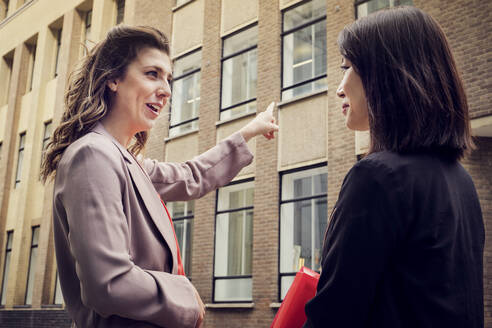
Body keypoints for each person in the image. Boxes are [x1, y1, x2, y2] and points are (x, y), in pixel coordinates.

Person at [40, 25, 278, 328]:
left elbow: (190, 176)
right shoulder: (93, 156)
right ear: (113, 78)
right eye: (152, 74)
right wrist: (185, 296)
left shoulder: (124, 160)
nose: (166, 89)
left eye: (168, 78)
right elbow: (108, 284)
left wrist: (249, 131)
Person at [304, 6, 484, 328]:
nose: (339, 88)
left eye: (348, 67)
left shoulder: (376, 178)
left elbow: (333, 316)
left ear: (387, 75)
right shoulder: (462, 182)